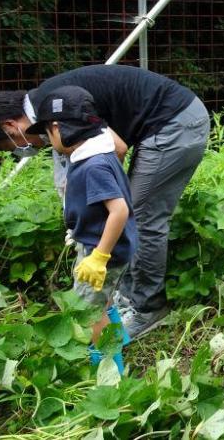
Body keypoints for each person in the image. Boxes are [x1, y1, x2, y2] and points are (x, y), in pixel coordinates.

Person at [0, 64, 210, 340]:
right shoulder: (47, 108)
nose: (22, 152)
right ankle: (129, 296)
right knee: (129, 212)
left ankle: (148, 309)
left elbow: (115, 149)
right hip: (167, 120)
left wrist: (101, 206)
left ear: (10, 126)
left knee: (142, 217)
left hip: (175, 122)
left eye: (10, 148)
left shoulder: (59, 107)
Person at [27, 86, 136, 373]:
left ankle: (110, 369)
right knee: (103, 299)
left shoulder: (93, 165)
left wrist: (100, 256)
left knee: (89, 311)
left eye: (48, 134)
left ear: (57, 128)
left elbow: (119, 210)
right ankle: (118, 341)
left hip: (104, 251)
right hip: (103, 245)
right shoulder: (101, 151)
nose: (49, 141)